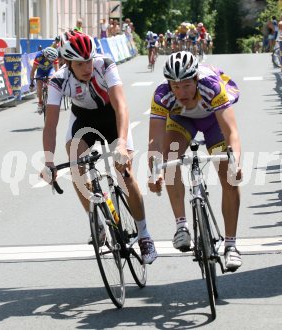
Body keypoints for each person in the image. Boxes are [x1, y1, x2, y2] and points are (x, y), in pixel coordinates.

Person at [41, 31, 157, 264]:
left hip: (111, 116)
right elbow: (50, 124)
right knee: (75, 164)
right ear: (68, 63)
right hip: (83, 119)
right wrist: (49, 162)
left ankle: (144, 235)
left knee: (124, 172)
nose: (87, 67)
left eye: (89, 60)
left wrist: (122, 144)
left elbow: (121, 106)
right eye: (80, 63)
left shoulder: (105, 65)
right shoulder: (57, 80)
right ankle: (96, 223)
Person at [148, 51, 243, 271]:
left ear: (196, 80)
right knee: (170, 159)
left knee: (229, 176)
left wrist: (236, 162)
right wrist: (154, 172)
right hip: (182, 121)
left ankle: (231, 245)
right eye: (176, 86)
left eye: (187, 86)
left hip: (213, 121)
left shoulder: (211, 86)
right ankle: (181, 226)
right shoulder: (162, 95)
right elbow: (155, 139)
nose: (181, 92)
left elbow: (232, 132)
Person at [29, 47, 59, 114]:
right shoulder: (39, 56)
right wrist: (31, 82)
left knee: (51, 80)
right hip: (40, 71)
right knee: (39, 85)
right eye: (49, 59)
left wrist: (56, 79)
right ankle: (40, 102)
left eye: (52, 60)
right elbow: (33, 70)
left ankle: (50, 97)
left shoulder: (54, 56)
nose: (50, 61)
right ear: (45, 56)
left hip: (50, 70)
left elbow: (57, 71)